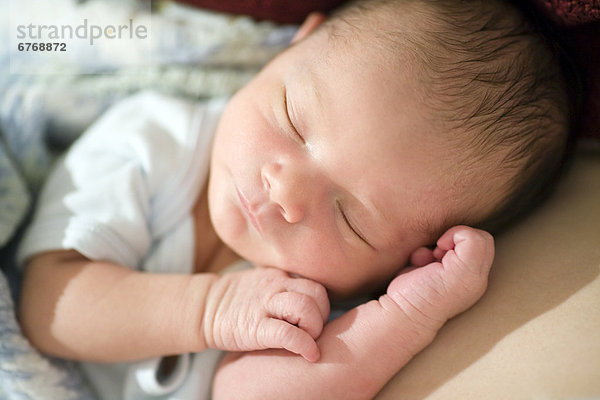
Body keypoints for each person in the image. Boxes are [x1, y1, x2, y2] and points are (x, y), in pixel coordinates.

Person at [17, 0, 571, 398]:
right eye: (292, 121)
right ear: (295, 44)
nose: (285, 190)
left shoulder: (332, 300)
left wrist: (404, 316)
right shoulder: (154, 142)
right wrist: (210, 311)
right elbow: (49, 305)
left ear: (404, 263)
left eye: (351, 218)